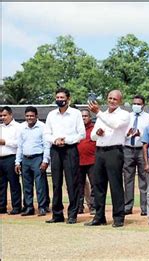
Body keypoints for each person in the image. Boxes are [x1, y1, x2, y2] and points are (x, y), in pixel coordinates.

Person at [85, 90, 129, 228]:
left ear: (120, 101)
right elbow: (92, 136)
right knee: (98, 185)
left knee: (115, 185)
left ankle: (118, 217)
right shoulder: (102, 116)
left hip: (114, 151)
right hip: (100, 151)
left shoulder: (124, 115)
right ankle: (99, 216)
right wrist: (97, 133)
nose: (111, 101)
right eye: (109, 98)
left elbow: (114, 125)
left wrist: (98, 112)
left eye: (115, 99)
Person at [44, 88, 85, 224]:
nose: (60, 100)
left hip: (70, 149)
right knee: (56, 183)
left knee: (72, 183)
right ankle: (57, 214)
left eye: (62, 97)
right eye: (58, 97)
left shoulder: (76, 114)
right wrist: (55, 140)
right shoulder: (51, 115)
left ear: (68, 99)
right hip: (55, 150)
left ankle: (72, 214)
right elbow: (46, 134)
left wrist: (66, 140)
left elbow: (81, 134)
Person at [14, 106, 51, 216]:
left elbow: (46, 145)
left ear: (36, 116)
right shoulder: (21, 128)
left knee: (40, 184)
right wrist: (17, 161)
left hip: (38, 158)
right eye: (27, 116)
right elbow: (19, 146)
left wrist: (45, 160)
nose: (29, 118)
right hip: (25, 159)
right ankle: (29, 207)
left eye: (31, 116)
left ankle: (42, 206)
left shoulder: (42, 127)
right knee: (26, 184)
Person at [123, 95, 149, 216]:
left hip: (142, 150)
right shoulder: (127, 117)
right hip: (127, 149)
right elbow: (121, 133)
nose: (136, 105)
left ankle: (145, 207)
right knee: (128, 179)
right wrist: (128, 134)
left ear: (143, 105)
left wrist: (140, 134)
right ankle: (128, 206)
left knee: (144, 179)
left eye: (139, 104)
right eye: (134, 103)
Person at [0, 106, 22, 215]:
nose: (3, 118)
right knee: (1, 184)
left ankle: (17, 206)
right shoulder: (0, 127)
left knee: (14, 183)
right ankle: (1, 206)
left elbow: (19, 143)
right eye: (1, 116)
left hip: (11, 157)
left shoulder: (18, 127)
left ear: (10, 115)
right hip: (0, 158)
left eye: (4, 115)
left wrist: (5, 142)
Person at [77, 109, 96, 215]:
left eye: (85, 116)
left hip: (92, 161)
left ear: (90, 117)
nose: (83, 118)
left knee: (94, 184)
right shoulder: (75, 129)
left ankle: (93, 206)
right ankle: (79, 206)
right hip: (78, 161)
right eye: (82, 116)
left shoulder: (94, 128)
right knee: (79, 185)